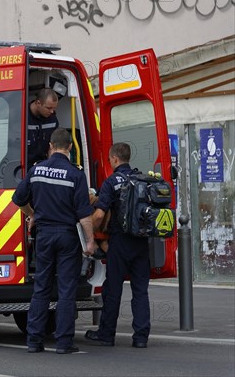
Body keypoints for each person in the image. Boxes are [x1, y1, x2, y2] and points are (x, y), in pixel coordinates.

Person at [12, 128, 96, 354]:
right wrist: (90, 241)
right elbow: (83, 214)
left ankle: (34, 341)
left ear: (50, 146)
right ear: (70, 148)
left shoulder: (36, 170)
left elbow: (18, 199)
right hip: (67, 236)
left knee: (41, 288)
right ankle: (64, 343)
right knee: (66, 289)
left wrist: (33, 214)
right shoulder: (76, 174)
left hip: (44, 235)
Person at [85, 142, 151, 349]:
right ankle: (141, 337)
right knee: (140, 290)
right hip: (141, 241)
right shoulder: (143, 180)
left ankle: (106, 334)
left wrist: (91, 236)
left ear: (114, 158)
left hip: (120, 241)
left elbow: (99, 214)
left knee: (113, 289)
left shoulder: (112, 182)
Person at [27, 88, 59, 166]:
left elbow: (54, 145)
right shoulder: (22, 117)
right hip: (24, 166)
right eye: (49, 108)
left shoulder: (52, 119)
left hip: (44, 165)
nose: (52, 111)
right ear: (38, 103)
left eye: (54, 108)